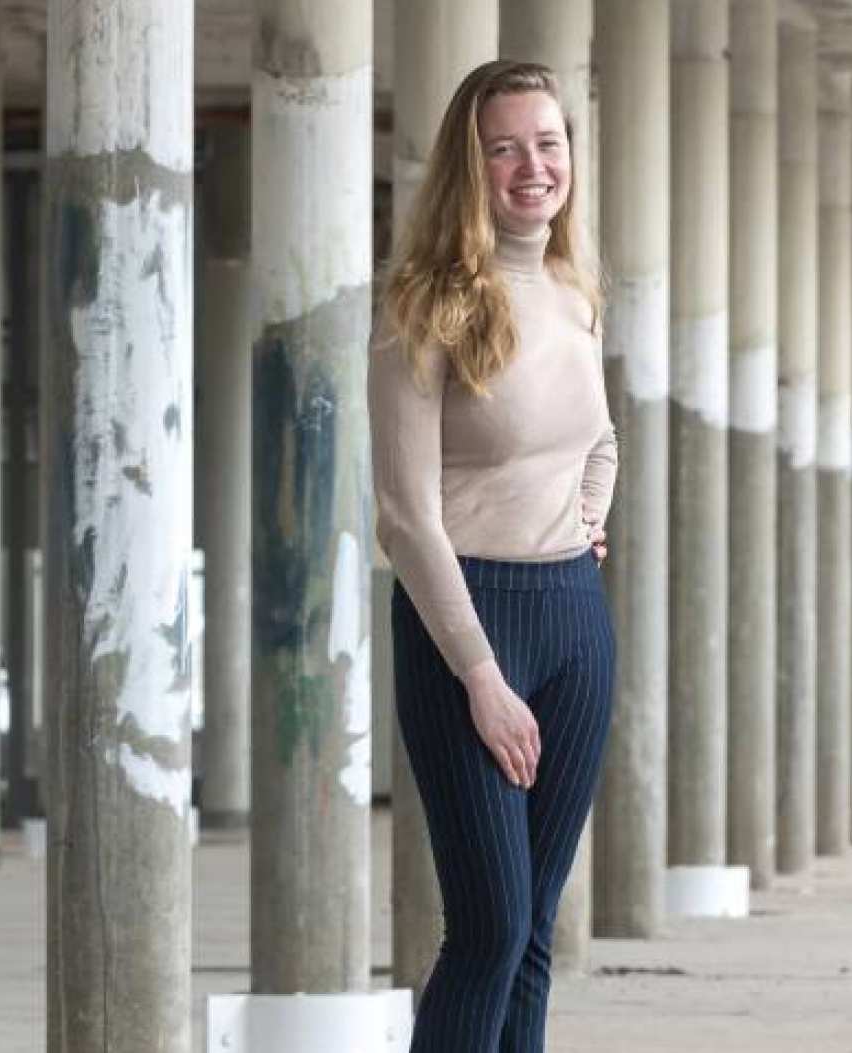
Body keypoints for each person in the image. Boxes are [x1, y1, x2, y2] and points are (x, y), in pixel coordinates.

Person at [370, 59, 617, 1053]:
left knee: (535, 935)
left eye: (547, 143)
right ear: (467, 168)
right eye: (504, 146)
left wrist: (583, 520)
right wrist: (478, 673)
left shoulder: (570, 294)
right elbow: (404, 516)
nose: (532, 166)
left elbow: (599, 438)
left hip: (571, 618)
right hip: (463, 624)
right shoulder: (420, 309)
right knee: (487, 930)